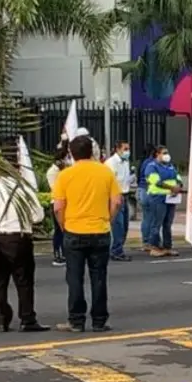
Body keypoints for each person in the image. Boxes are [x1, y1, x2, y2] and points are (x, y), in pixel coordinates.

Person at [53, 135, 121, 333]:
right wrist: (109, 218)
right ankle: (99, 320)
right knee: (99, 277)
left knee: (74, 278)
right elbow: (117, 201)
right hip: (100, 230)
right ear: (92, 151)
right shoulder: (105, 172)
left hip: (74, 230)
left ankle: (76, 320)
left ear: (71, 153)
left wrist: (63, 224)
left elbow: (58, 207)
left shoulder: (65, 175)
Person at [0, 138, 49, 333]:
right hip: (19, 239)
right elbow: (38, 216)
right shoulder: (25, 190)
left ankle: (2, 319)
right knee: (24, 281)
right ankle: (27, 319)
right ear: (17, 170)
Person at [143, 145, 182, 257]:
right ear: (157, 154)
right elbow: (156, 181)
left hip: (170, 198)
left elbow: (177, 177)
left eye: (167, 152)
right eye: (164, 153)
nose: (166, 155)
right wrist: (171, 188)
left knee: (167, 224)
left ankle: (167, 247)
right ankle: (154, 247)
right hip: (158, 198)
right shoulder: (152, 166)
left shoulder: (170, 166)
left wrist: (178, 186)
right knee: (156, 223)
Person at [104, 141, 133, 262]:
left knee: (125, 225)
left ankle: (118, 248)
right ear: (117, 149)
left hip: (124, 195)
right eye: (125, 149)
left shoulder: (125, 162)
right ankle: (116, 250)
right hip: (115, 196)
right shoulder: (111, 163)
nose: (127, 151)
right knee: (118, 225)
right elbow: (108, 182)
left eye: (128, 149)